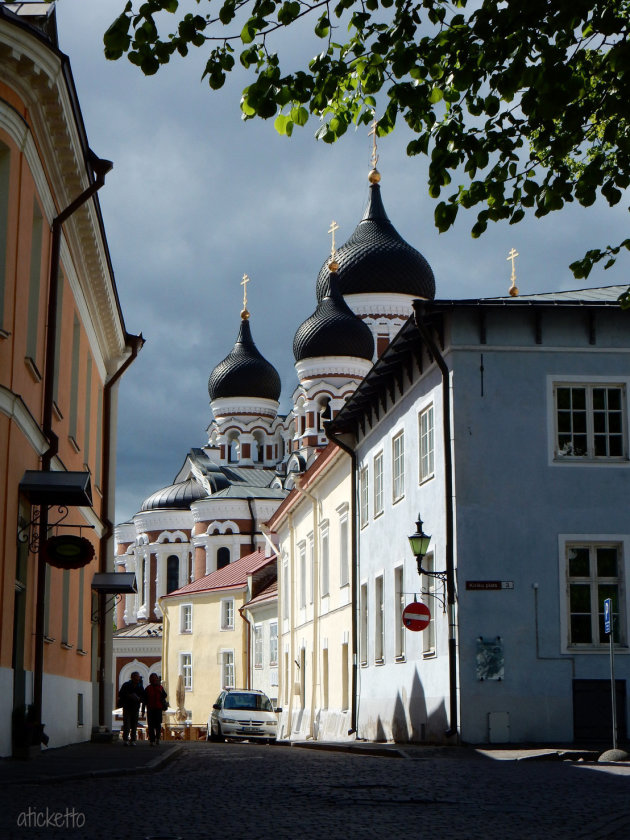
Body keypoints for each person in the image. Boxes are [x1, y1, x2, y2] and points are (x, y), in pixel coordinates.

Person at [118, 671, 145, 745]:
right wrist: (129, 696)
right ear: (132, 677)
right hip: (127, 707)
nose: (138, 678)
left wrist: (139, 698)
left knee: (134, 724)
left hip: (135, 707)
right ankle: (125, 740)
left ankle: (133, 740)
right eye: (136, 676)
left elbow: (143, 697)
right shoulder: (126, 685)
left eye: (138, 676)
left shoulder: (140, 686)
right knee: (126, 723)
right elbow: (120, 694)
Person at [144, 673, 168, 746]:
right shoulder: (148, 688)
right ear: (150, 680)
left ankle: (157, 738)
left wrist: (160, 692)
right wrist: (142, 710)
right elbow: (144, 699)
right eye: (152, 678)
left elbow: (165, 695)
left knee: (158, 725)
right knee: (150, 725)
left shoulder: (160, 687)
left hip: (158, 708)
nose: (154, 679)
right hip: (150, 709)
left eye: (155, 678)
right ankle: (152, 740)